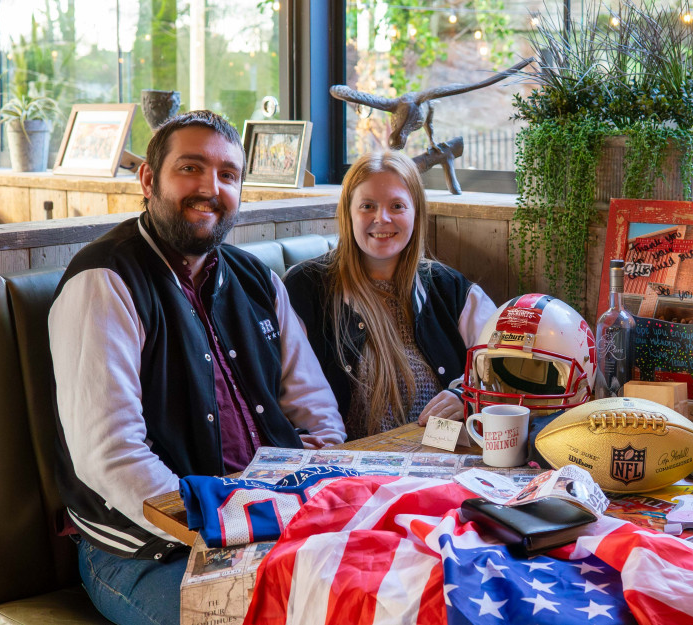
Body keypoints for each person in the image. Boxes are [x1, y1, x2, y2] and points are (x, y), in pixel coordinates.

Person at [49, 110, 344, 625]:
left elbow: (316, 411)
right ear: (148, 179)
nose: (210, 188)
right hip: (145, 551)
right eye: (190, 168)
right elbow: (111, 458)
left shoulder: (257, 279)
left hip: (270, 520)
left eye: (228, 175)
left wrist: (310, 500)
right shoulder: (104, 281)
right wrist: (229, 523)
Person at [284, 150, 496, 440]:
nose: (381, 218)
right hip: (349, 464)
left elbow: (503, 358)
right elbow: (285, 387)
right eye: (368, 206)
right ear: (348, 212)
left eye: (397, 206)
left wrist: (466, 394)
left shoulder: (449, 288)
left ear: (416, 213)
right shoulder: (305, 287)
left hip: (441, 455)